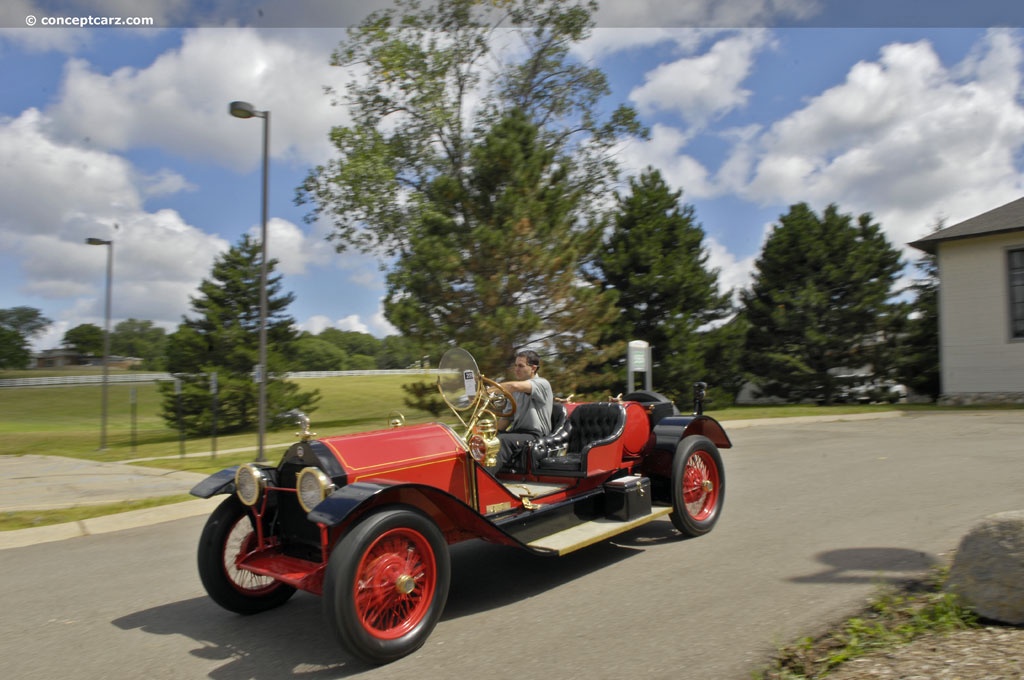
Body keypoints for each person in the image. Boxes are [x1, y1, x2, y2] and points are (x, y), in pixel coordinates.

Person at [489, 349, 553, 473]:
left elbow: (514, 386)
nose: (516, 369)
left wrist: (486, 391)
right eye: (515, 365)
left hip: (535, 435)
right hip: (518, 433)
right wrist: (486, 434)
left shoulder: (542, 384)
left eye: (521, 366)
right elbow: (506, 419)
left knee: (503, 441)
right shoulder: (515, 392)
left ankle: (483, 482)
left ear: (533, 368)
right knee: (486, 441)